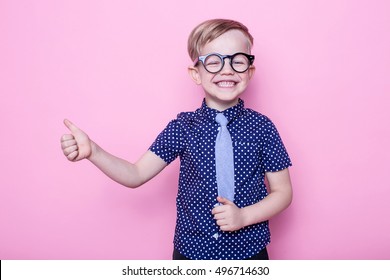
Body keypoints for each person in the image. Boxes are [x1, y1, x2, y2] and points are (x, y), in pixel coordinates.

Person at [60, 19, 292, 260]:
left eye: (238, 61)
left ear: (250, 71)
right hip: (191, 252)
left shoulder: (263, 128)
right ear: (195, 73)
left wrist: (244, 216)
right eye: (213, 62)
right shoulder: (182, 128)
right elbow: (136, 174)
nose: (227, 69)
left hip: (249, 251)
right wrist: (94, 152)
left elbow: (282, 192)